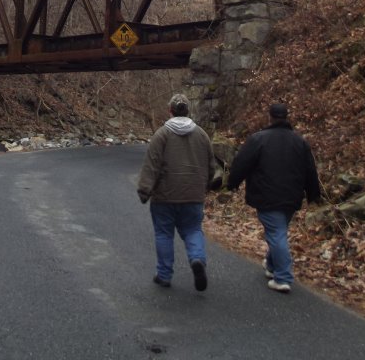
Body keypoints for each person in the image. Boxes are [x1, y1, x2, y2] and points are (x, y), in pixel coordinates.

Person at [226, 102, 321, 293]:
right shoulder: (300, 142)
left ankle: (283, 277)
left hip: (267, 195)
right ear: (286, 118)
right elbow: (310, 170)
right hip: (292, 196)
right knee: (279, 230)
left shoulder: (259, 139)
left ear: (270, 117)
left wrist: (233, 183)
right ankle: (271, 265)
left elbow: (242, 163)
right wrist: (313, 194)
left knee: (277, 234)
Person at [137, 92, 217, 291]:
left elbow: (152, 165)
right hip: (193, 195)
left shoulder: (161, 135)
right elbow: (211, 166)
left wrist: (144, 190)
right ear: (188, 111)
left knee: (164, 234)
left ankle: (164, 275)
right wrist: (205, 185)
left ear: (170, 111)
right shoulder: (202, 135)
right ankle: (197, 259)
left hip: (164, 196)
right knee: (193, 230)